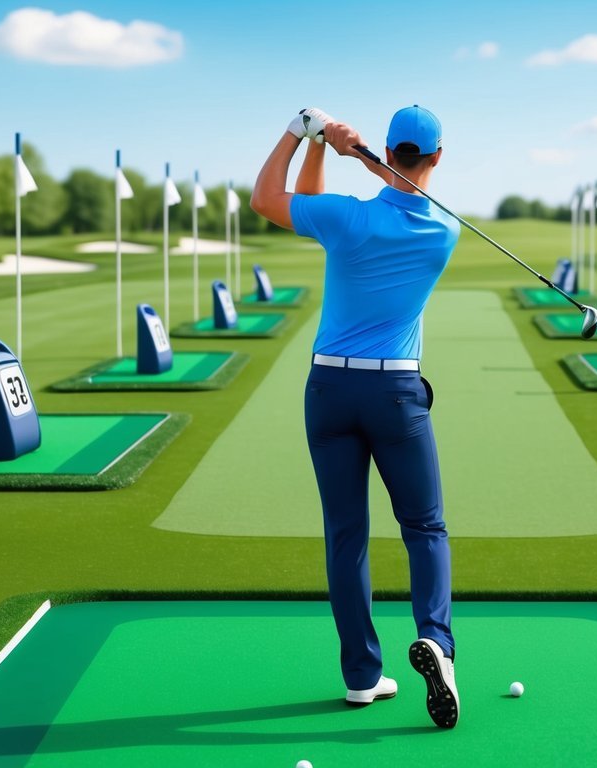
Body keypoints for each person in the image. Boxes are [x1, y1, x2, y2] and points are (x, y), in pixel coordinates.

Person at [251, 106, 461, 728]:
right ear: (437, 158)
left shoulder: (347, 218)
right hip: (395, 395)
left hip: (329, 391)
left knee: (347, 534)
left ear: (386, 151)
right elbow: (359, 201)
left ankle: (362, 677)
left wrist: (304, 134)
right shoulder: (443, 232)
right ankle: (437, 645)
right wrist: (339, 147)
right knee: (424, 528)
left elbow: (272, 199)